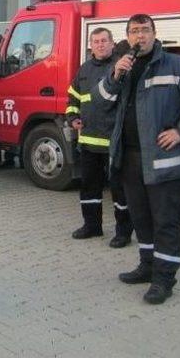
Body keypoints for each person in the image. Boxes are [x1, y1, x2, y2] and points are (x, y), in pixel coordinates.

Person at [94, 13, 180, 304]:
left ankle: (164, 279)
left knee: (166, 222)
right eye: (134, 31)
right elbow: (101, 102)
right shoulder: (122, 67)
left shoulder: (176, 65)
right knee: (142, 218)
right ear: (127, 37)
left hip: (164, 161)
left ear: (154, 33)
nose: (140, 36)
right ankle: (147, 266)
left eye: (145, 30)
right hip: (130, 160)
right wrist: (114, 76)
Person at [66, 28, 132, 247]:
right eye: (96, 41)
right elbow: (73, 97)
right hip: (88, 141)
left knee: (119, 190)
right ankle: (92, 226)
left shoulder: (121, 68)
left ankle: (123, 232)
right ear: (90, 45)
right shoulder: (84, 69)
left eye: (104, 41)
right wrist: (72, 117)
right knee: (89, 187)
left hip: (114, 142)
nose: (100, 45)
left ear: (112, 44)